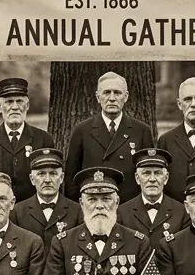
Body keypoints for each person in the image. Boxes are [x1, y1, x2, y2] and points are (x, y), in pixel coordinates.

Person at [64, 72, 156, 203]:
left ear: (126, 97)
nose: (112, 98)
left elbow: (148, 174)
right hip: (95, 206)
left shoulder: (142, 131)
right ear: (98, 97)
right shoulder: (82, 130)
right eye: (107, 92)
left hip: (130, 209)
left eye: (117, 93)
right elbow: (71, 178)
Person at [0, 78, 55, 202]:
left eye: (19, 101)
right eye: (9, 102)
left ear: (27, 105)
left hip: (32, 213)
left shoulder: (43, 139)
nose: (15, 107)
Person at [8, 148, 83, 244]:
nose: (47, 180)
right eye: (41, 174)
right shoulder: (17, 212)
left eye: (53, 173)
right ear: (32, 179)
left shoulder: (77, 211)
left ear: (61, 178)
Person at [117, 148, 186, 247]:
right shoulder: (122, 212)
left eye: (157, 173)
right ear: (137, 178)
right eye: (146, 173)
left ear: (166, 178)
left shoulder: (182, 212)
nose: (152, 179)